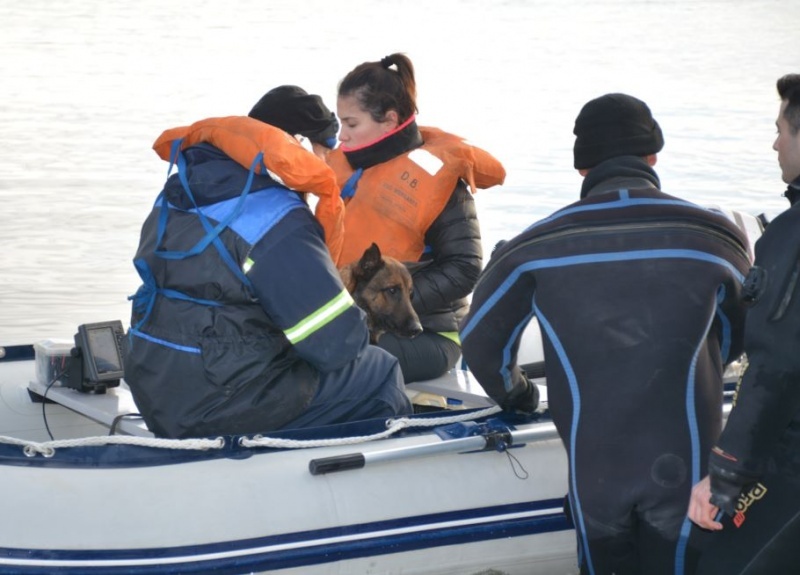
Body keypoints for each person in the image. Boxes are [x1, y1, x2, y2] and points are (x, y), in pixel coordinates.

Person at [459, 93, 752, 575]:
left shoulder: (536, 246)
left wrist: (521, 394)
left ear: (581, 168)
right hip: (687, 471)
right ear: (654, 156)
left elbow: (480, 344)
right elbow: (744, 332)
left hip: (596, 474)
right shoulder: (712, 236)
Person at [123, 85, 412, 439]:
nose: (329, 162)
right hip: (219, 401)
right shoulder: (278, 220)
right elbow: (334, 344)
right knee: (378, 370)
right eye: (326, 148)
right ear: (299, 145)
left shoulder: (179, 191)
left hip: (156, 389)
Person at [325, 52, 506, 383]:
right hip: (350, 321)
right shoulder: (348, 173)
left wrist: (388, 305)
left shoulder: (440, 183)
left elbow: (465, 268)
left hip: (427, 335)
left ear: (390, 121)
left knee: (326, 357)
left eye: (351, 124)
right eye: (340, 123)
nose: (342, 136)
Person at [688, 73, 800, 574]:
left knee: (716, 561)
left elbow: (776, 367)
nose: (775, 142)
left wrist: (725, 475)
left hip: (788, 460)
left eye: (781, 129)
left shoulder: (790, 240)